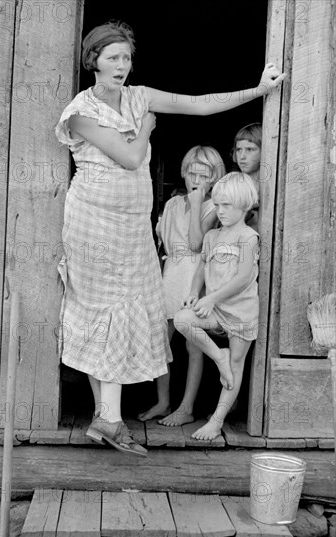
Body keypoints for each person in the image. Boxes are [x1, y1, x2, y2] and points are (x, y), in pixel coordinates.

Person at [55, 20, 285, 456]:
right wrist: (146, 128)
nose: (122, 65)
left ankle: (108, 419)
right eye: (113, 57)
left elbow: (199, 105)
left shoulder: (139, 96)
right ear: (94, 61)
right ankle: (109, 418)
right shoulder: (81, 111)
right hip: (93, 224)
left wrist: (258, 91)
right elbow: (129, 156)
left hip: (132, 227)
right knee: (99, 310)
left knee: (129, 310)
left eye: (126, 57)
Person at [138, 146, 225, 426]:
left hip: (196, 274)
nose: (196, 180)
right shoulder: (173, 204)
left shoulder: (214, 206)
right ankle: (163, 402)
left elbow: (196, 244)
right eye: (191, 173)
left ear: (215, 177)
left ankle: (186, 407)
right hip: (171, 273)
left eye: (204, 174)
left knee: (193, 345)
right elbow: (162, 243)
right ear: (184, 173)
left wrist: (198, 203)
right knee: (161, 341)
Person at [174, 172, 260, 440]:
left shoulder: (248, 237)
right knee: (182, 319)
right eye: (218, 204)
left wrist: (212, 298)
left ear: (244, 206)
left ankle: (216, 420)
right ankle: (217, 355)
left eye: (227, 206)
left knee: (236, 364)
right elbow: (201, 269)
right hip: (215, 311)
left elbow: (244, 277)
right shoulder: (211, 236)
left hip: (240, 311)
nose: (219, 211)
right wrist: (193, 292)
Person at [231, 122, 262, 230]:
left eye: (250, 149)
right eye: (239, 150)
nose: (242, 156)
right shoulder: (232, 184)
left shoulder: (271, 184)